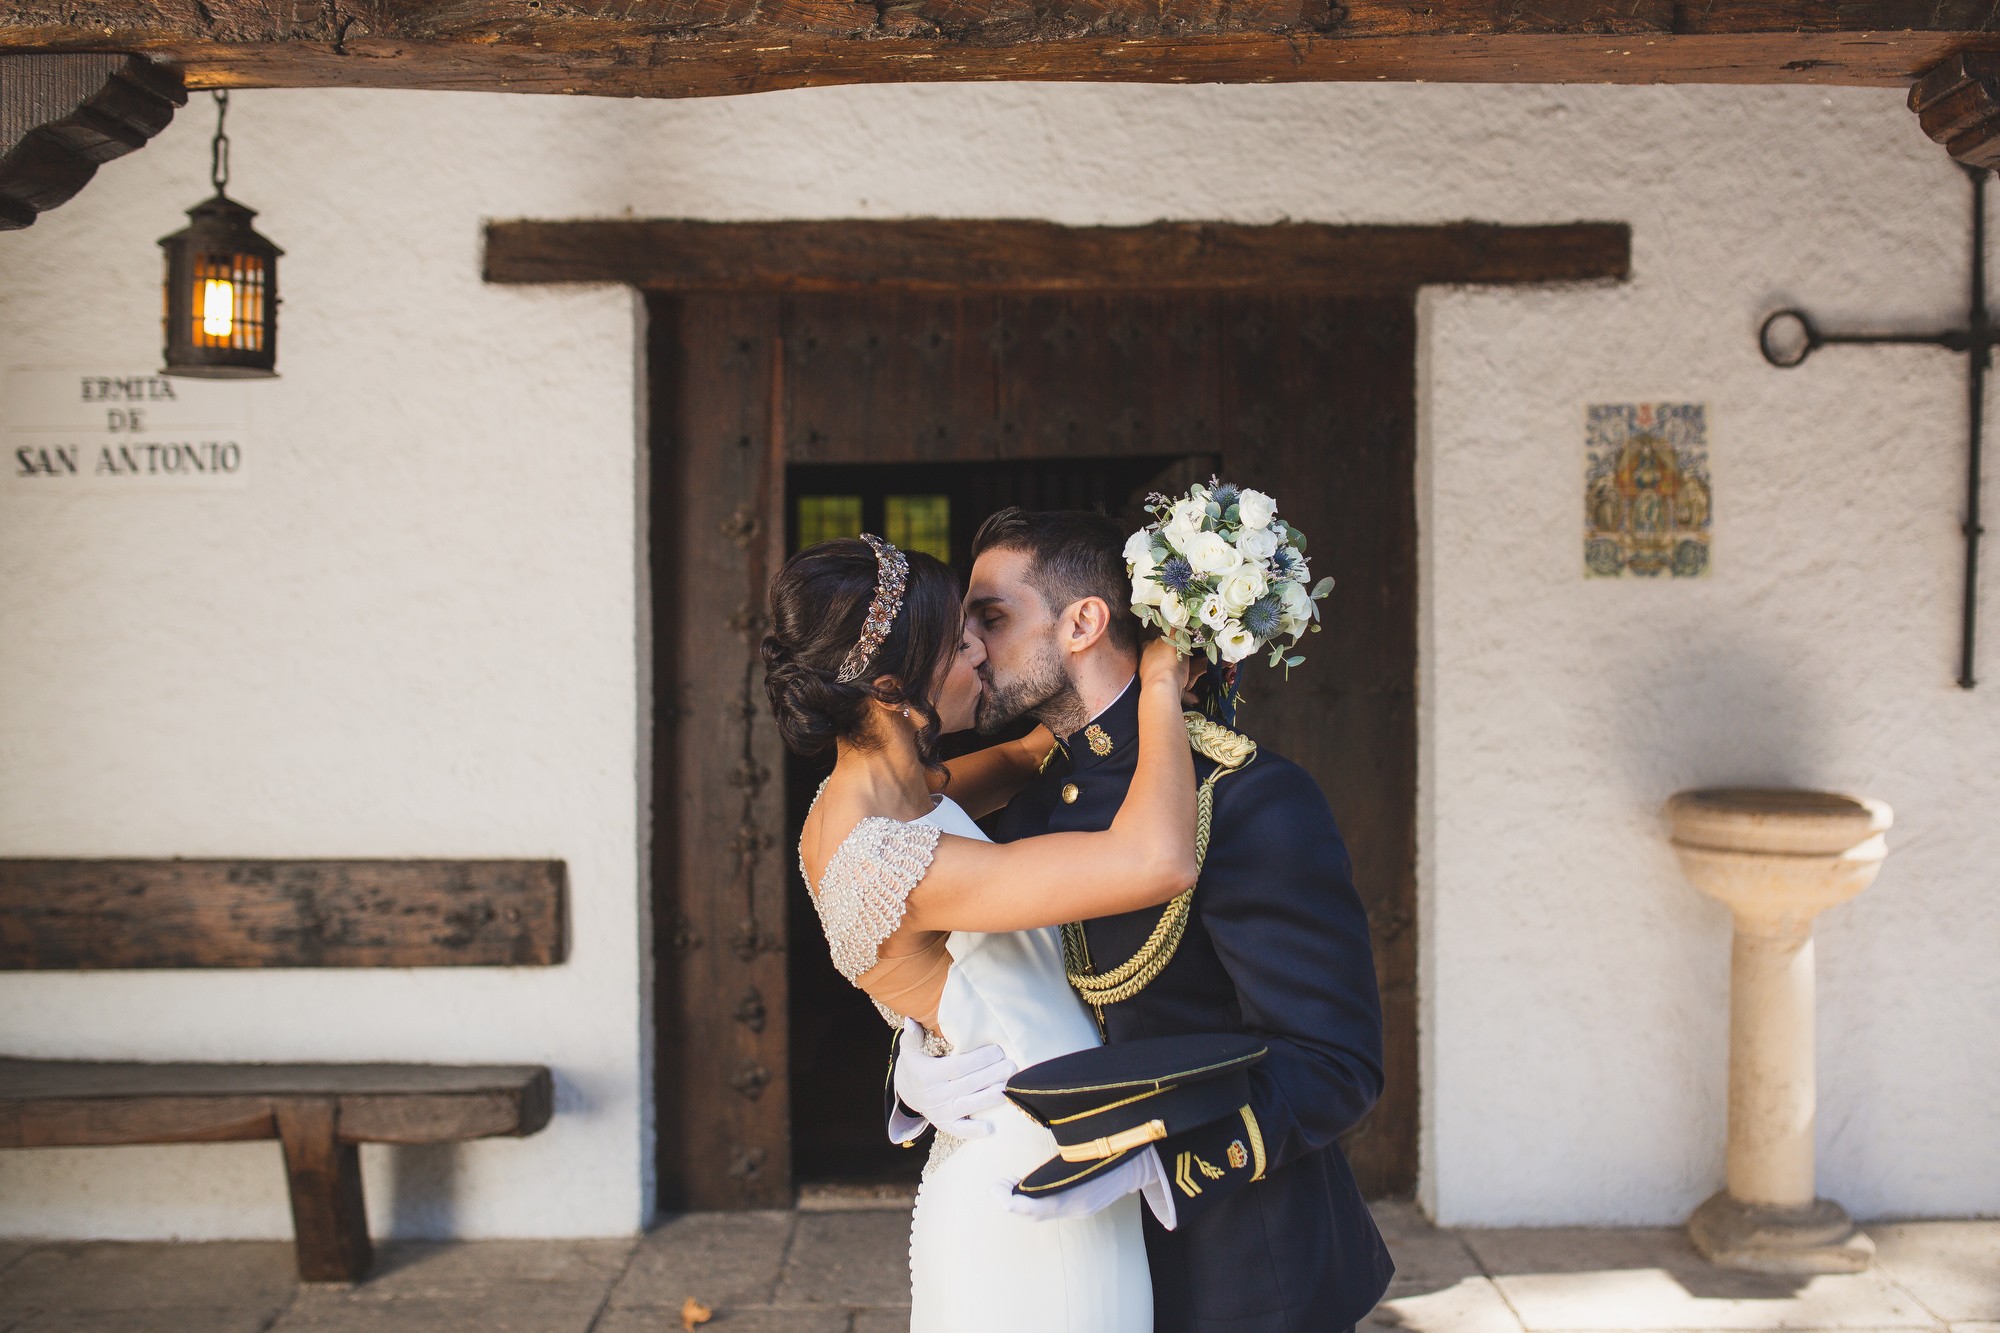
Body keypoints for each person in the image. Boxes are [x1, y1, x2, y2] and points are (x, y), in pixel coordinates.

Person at [892, 508, 1396, 1333]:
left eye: (992, 617)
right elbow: (993, 978)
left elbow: (1338, 1060)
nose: (973, 647)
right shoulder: (1023, 797)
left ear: (1085, 622)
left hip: (1240, 1269)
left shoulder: (1243, 796)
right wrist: (917, 1065)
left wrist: (1160, 1159)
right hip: (1074, 1264)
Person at [762, 532, 1200, 1333]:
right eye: (963, 644)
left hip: (1034, 1157)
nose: (983, 656)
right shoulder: (888, 852)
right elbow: (1160, 859)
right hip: (1031, 1193)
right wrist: (1165, 682)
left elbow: (1033, 752)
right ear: (893, 689)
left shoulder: (893, 791)